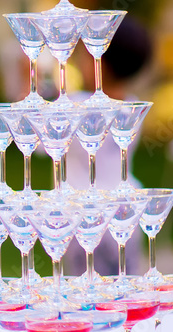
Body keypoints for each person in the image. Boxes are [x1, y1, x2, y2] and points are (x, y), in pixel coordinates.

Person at [64, 16, 153, 276]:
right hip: (125, 210)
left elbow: (37, 138)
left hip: (82, 215)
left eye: (84, 55)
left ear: (99, 62)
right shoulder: (133, 105)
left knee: (85, 286)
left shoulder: (77, 107)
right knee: (126, 280)